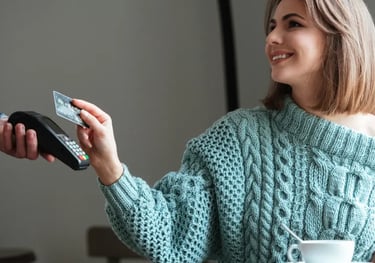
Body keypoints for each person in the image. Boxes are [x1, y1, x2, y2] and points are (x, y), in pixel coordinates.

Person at [19, 0, 375, 261]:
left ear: (338, 35)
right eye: (271, 26)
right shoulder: (237, 139)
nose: (272, 37)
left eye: (293, 23)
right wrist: (111, 167)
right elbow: (169, 234)